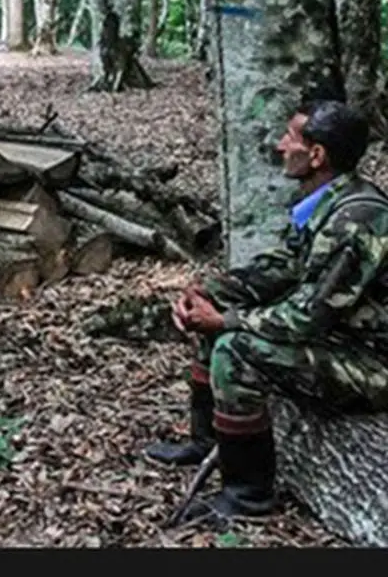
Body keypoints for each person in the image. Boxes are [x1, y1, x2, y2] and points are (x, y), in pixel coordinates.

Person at [145, 97, 388, 527]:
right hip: (341, 339)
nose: (279, 145)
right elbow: (285, 267)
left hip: (373, 363)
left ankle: (248, 494)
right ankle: (205, 442)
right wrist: (210, 291)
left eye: (290, 137)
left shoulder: (357, 220)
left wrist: (224, 321)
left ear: (317, 155)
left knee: (235, 349)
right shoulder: (329, 200)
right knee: (220, 313)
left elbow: (307, 316)